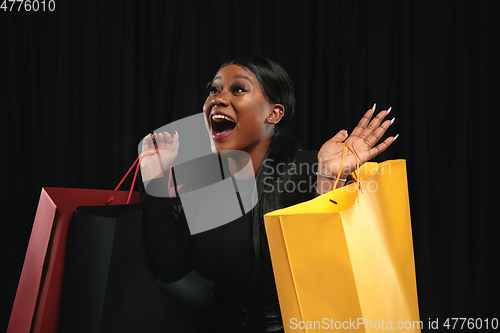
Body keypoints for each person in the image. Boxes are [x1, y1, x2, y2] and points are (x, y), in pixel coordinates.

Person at [139, 55, 397, 332]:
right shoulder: (204, 179)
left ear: (273, 113)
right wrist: (154, 178)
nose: (218, 98)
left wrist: (330, 179)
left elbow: (334, 270)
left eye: (238, 89)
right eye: (214, 90)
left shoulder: (314, 167)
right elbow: (170, 268)